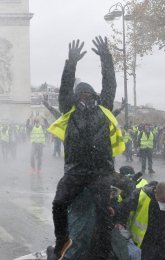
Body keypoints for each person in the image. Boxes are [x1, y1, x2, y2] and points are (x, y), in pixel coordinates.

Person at [47, 37, 120, 260]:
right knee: (58, 203)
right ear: (76, 98)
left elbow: (110, 84)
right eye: (81, 95)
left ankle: (104, 252)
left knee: (103, 214)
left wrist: (106, 58)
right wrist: (71, 63)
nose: (85, 97)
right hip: (76, 170)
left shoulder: (104, 109)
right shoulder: (69, 111)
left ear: (95, 97)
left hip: (100, 171)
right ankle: (62, 239)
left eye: (89, 95)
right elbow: (65, 88)